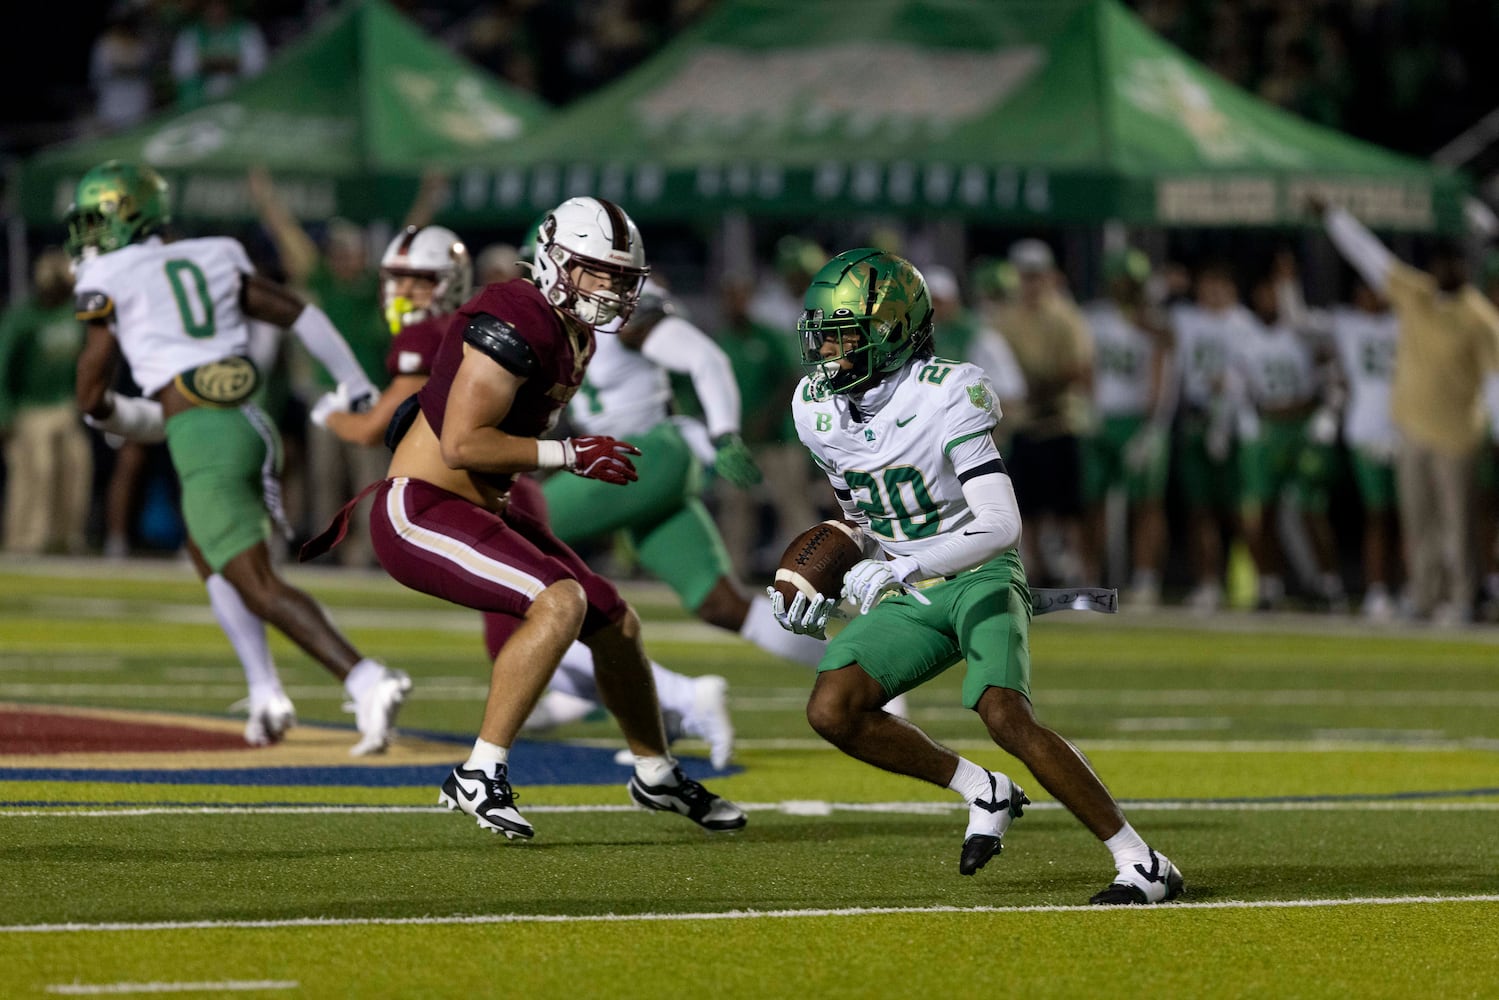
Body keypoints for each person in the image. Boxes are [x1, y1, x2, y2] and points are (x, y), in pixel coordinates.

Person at [303, 196, 744, 839]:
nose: (612, 288)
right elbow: (461, 443)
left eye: (621, 277)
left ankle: (655, 773)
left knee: (614, 621)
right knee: (559, 602)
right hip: (420, 508)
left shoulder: (576, 331)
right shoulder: (515, 313)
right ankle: (480, 772)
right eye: (598, 272)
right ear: (556, 262)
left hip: (486, 506)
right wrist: (570, 453)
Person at [770, 248, 1182, 904]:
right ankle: (978, 787)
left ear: (891, 332)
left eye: (842, 335)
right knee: (831, 710)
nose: (825, 351)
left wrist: (900, 564)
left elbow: (998, 524)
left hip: (976, 570)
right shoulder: (815, 408)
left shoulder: (947, 391)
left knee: (1004, 715)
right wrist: (813, 582)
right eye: (821, 334)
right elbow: (857, 518)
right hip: (906, 583)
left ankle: (1141, 862)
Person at [65, 159, 411, 753]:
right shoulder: (212, 253)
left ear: (126, 215)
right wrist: (354, 382)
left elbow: (93, 386)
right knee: (210, 555)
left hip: (204, 433)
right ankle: (266, 690)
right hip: (247, 421)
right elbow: (299, 312)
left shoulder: (109, 273)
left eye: (97, 218)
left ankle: (365, 677)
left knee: (256, 581)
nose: (89, 233)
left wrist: (106, 414)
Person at [539, 268, 852, 694]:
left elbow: (706, 358)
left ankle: (611, 698)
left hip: (642, 454)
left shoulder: (622, 305)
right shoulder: (567, 314)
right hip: (630, 466)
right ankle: (859, 669)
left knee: (514, 535)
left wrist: (724, 433)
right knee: (721, 605)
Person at [1313, 197, 1499, 623]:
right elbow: (1369, 256)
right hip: (1412, 430)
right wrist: (1334, 216)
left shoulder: (1481, 319)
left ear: (1467, 269)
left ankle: (1462, 598)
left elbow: (1495, 385)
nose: (1446, 271)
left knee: (1458, 525)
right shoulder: (1416, 294)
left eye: (1455, 264)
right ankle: (1424, 595)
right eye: (1442, 263)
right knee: (1418, 524)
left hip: (1458, 435)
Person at [1279, 265, 1403, 620]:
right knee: (1377, 515)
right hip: (1366, 432)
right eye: (1366, 289)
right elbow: (1298, 321)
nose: (1373, 296)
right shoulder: (1346, 323)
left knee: (1411, 518)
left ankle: (1412, 590)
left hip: (1408, 430)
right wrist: (1287, 281)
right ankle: (1377, 591)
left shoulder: (1406, 322)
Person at [1228, 268, 1346, 612]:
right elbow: (1238, 386)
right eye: (1266, 292)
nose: (1272, 300)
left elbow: (1334, 375)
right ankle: (1268, 584)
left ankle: (1328, 582)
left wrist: (1327, 417)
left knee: (1312, 509)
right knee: (1261, 511)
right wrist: (1243, 424)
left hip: (1304, 426)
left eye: (1278, 292)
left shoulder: (1307, 329)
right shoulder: (1243, 335)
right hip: (1267, 427)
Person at [993, 239, 1094, 587]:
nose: (1030, 283)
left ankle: (1081, 573)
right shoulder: (1005, 318)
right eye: (1025, 275)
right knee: (1027, 509)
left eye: (1035, 276)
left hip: (1059, 421)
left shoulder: (1065, 316)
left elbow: (1079, 368)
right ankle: (1034, 573)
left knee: (1068, 509)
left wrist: (1037, 386)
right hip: (1022, 424)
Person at [1080, 248, 1174, 607]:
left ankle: (1146, 578)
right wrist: (1086, 408)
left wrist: (1153, 427)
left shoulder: (1156, 323)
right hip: (1100, 416)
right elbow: (1083, 365)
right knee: (1093, 503)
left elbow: (1164, 374)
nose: (1125, 287)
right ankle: (1090, 578)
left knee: (1147, 504)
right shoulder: (1093, 317)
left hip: (1139, 419)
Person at [712, 271, 821, 579]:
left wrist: (767, 418)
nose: (734, 304)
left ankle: (812, 570)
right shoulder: (722, 341)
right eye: (729, 297)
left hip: (778, 439)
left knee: (795, 507)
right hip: (739, 440)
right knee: (735, 510)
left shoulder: (768, 336)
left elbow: (791, 378)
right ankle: (733, 574)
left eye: (740, 297)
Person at [1169, 260, 1255, 613]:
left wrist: (1230, 395)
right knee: (1200, 508)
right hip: (1197, 419)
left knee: (1240, 508)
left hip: (1235, 424)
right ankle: (1207, 581)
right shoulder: (1186, 318)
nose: (1213, 293)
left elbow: (1252, 375)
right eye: (1207, 285)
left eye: (1220, 286)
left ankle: (1253, 577)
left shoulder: (1243, 323)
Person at [0, 249, 92, 555]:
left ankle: (65, 538)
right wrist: (4, 413)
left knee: (75, 468)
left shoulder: (73, 313)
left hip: (65, 406)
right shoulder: (22, 318)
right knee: (35, 472)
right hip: (30, 407)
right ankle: (25, 539)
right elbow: (2, 366)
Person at [170, 0, 266, 108]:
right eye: (210, 6)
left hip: (242, 97)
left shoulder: (246, 29)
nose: (216, 10)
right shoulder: (189, 35)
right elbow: (181, 71)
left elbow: (259, 68)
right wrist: (210, 64)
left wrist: (229, 65)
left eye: (219, 5)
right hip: (200, 102)